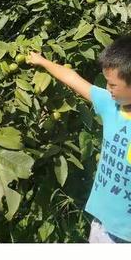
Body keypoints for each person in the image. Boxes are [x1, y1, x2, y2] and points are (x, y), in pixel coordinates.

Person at [27, 36, 131, 244]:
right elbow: (72, 79)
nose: (108, 89)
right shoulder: (111, 105)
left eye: (113, 84)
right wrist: (42, 61)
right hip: (101, 222)